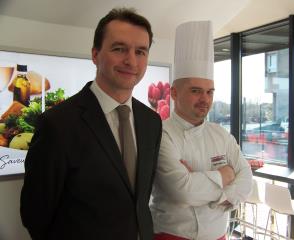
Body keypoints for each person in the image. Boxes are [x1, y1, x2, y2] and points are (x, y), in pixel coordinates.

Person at [20, 7, 162, 240]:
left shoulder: (152, 121)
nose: (131, 60)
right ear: (95, 54)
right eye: (119, 49)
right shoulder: (57, 125)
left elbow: (139, 199)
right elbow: (35, 214)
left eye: (141, 51)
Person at [150, 21, 252, 240]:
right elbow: (182, 191)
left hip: (219, 236)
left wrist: (212, 189)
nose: (205, 99)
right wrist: (224, 175)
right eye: (196, 91)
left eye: (209, 92)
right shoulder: (162, 134)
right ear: (175, 93)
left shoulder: (221, 135)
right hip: (171, 236)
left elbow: (246, 179)